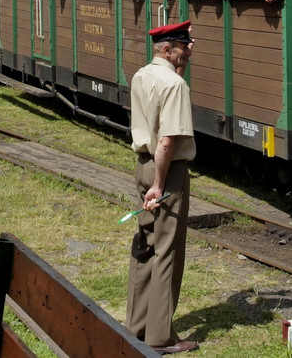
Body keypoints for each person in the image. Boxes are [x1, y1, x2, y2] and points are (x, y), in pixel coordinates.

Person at [126, 20, 198, 355]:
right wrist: (159, 184)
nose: (190, 49)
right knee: (167, 251)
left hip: (142, 165)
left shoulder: (141, 75)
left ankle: (135, 326)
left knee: (144, 246)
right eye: (184, 45)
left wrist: (149, 180)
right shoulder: (176, 85)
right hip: (165, 174)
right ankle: (160, 337)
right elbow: (168, 140)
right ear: (167, 49)